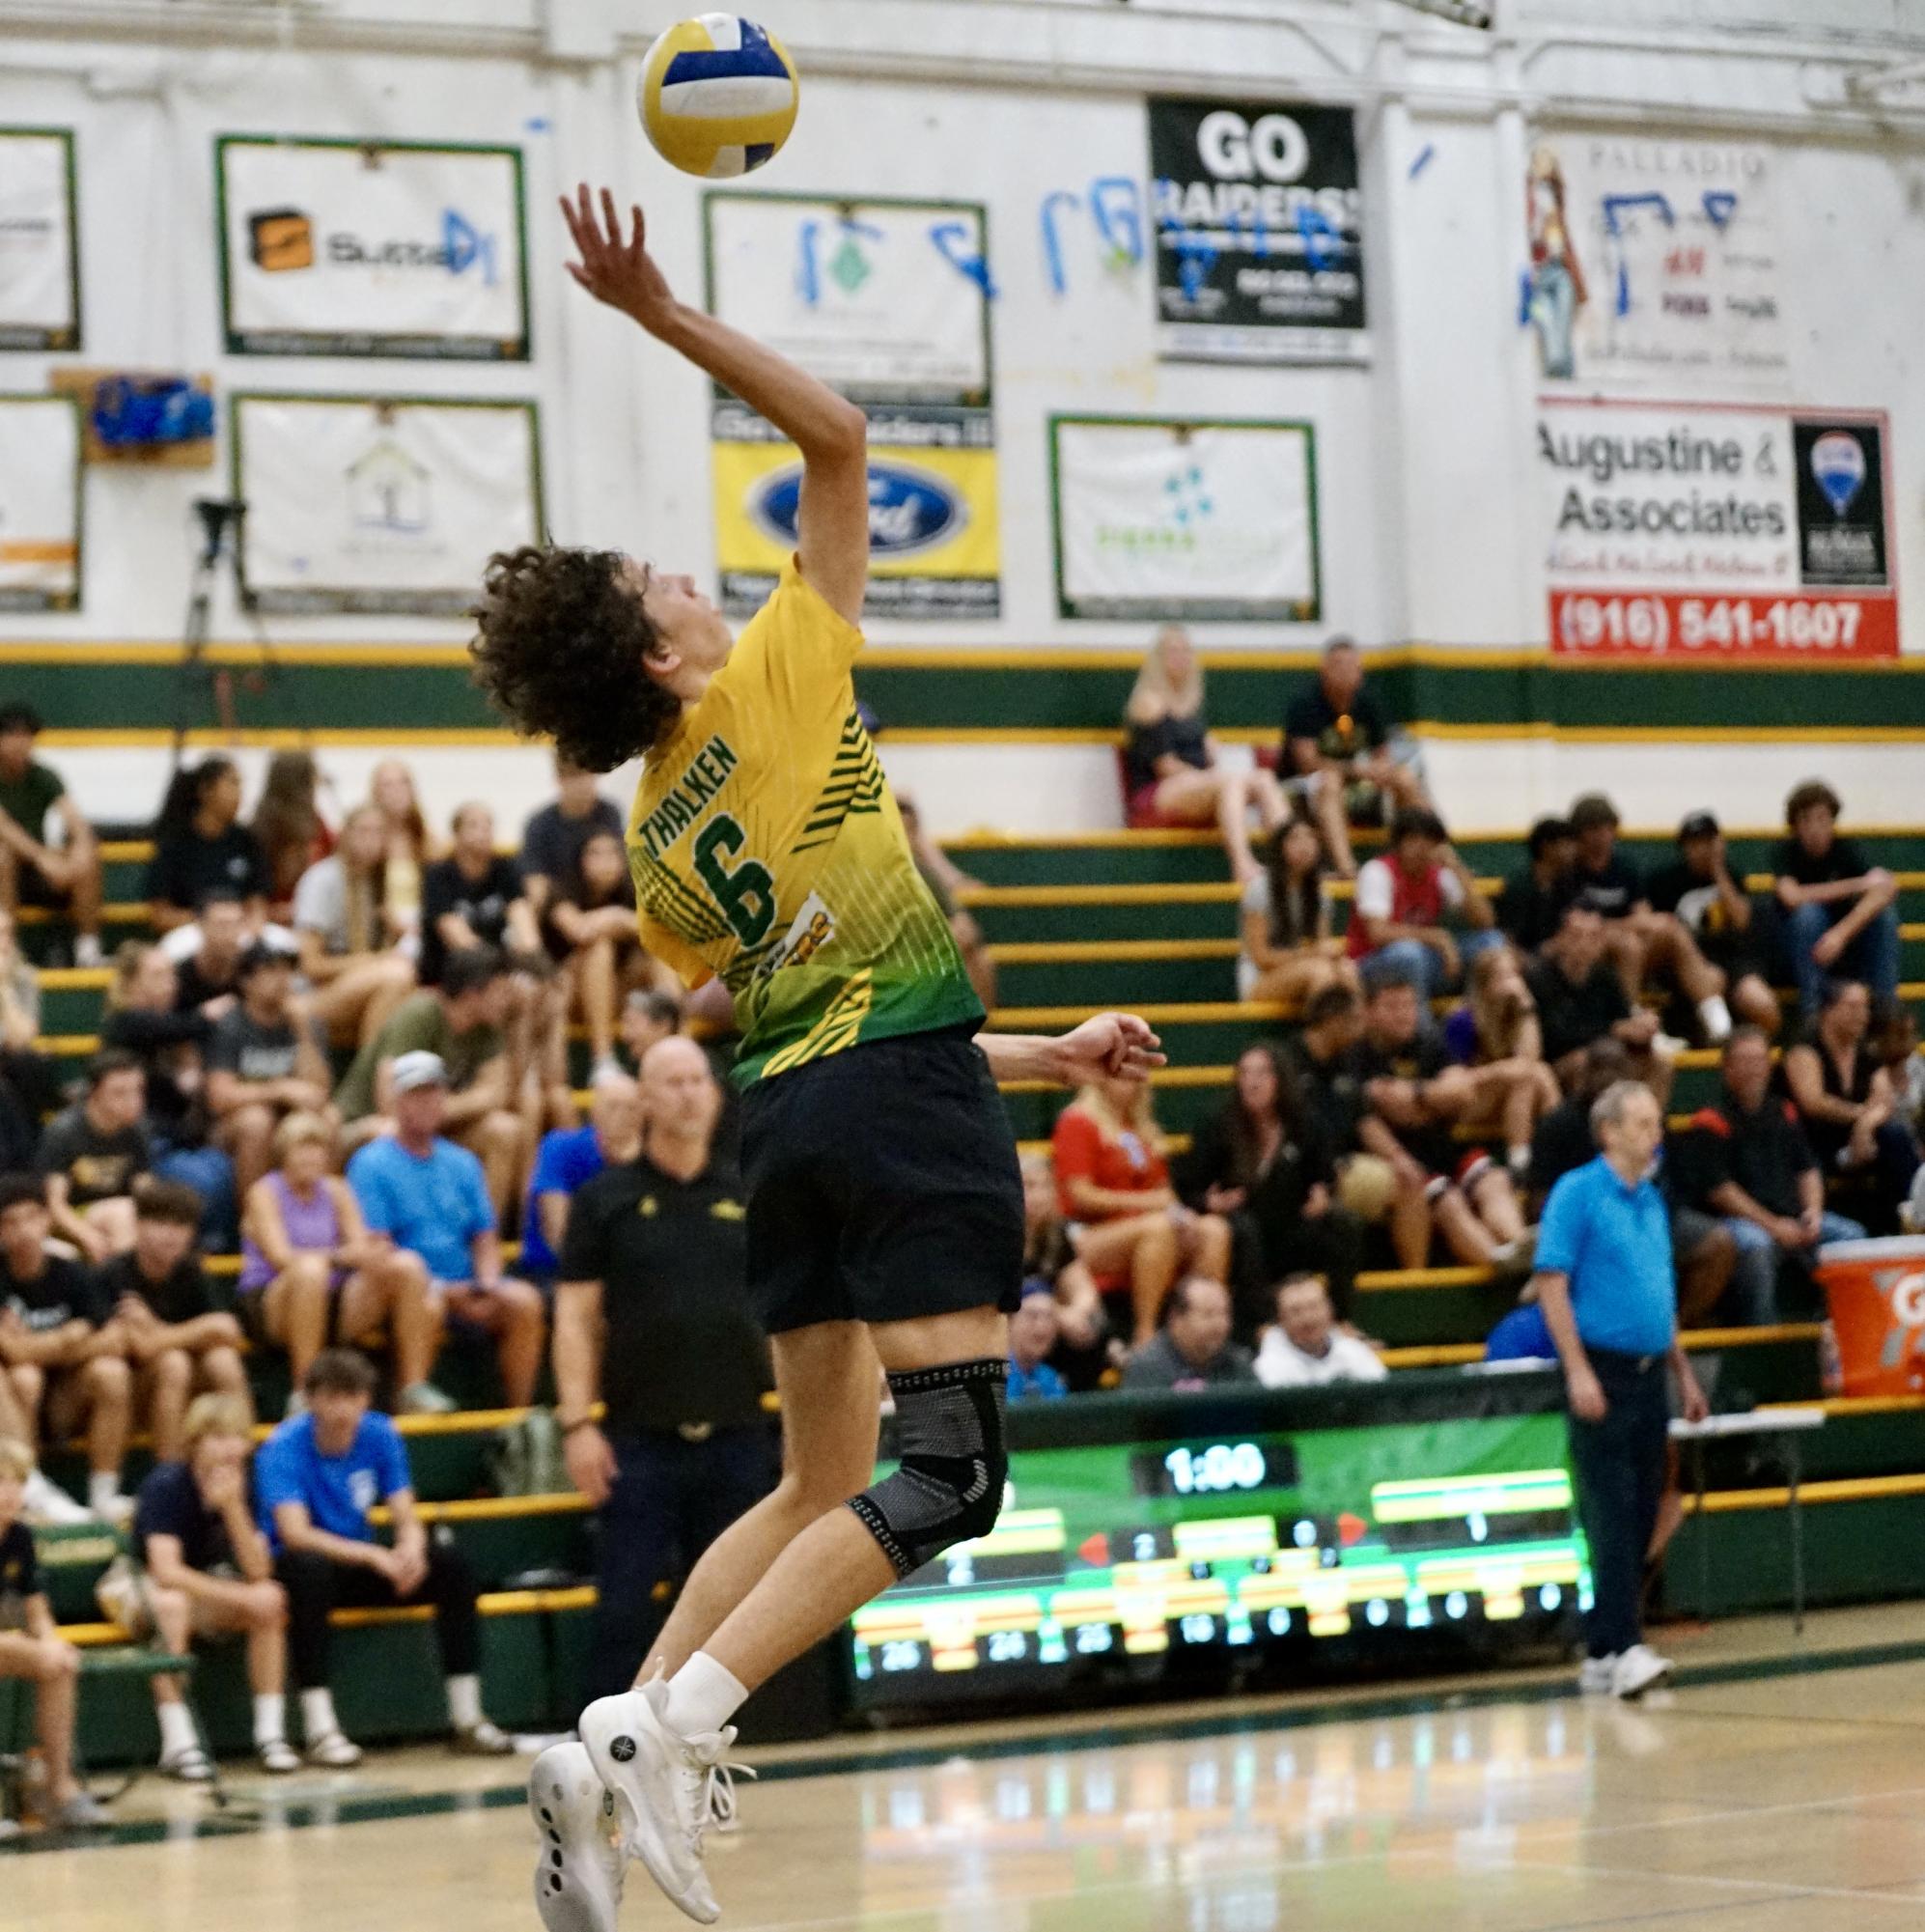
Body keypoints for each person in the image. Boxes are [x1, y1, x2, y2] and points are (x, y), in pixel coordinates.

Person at [469, 183, 1165, 1931]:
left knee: (812, 1483)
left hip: (800, 1130)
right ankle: (674, 1726)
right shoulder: (776, 667)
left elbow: (836, 1027)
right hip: (886, 1105)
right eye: (657, 578)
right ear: (660, 648)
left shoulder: (648, 850)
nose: (685, 571)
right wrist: (657, 312)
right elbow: (841, 435)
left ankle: (606, 1745)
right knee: (948, 1479)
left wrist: (1047, 1052)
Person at [556, 1037, 775, 1699]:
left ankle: (701, 1751)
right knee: (624, 1608)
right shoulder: (605, 1199)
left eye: (698, 1080)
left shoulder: (750, 1188)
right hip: (639, 1439)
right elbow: (574, 1318)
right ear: (644, 1098)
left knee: (733, 1613)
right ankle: (603, 1749)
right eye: (671, 1081)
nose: (688, 1092)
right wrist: (575, 1424)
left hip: (740, 1432)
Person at [1531, 1080, 1709, 1699]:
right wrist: (1577, 1370)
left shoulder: (1651, 1201)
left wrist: (1682, 1371)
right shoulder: (1577, 1193)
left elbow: (1658, 1295)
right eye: (1641, 1124)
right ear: (1608, 1132)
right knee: (1609, 1510)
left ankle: (1604, 1648)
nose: (1654, 1134)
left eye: (1656, 1122)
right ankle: (1627, 1645)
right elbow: (1552, 1283)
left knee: (1639, 1513)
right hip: (1600, 1369)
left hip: (1647, 1374)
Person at [256, 1348, 513, 1765]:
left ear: (366, 1399)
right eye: (331, 1397)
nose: (342, 1409)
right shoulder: (282, 1446)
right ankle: (320, 1727)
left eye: (352, 1396)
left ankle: (467, 1717)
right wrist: (376, 1556)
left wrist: (409, 1550)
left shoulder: (379, 1433)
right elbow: (295, 1534)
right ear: (311, 1400)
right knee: (309, 1571)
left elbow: (404, 1512)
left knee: (451, 1564)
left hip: (359, 1562)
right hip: (307, 1566)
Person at [346, 1050, 546, 1408]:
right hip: (411, 1288)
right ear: (397, 1102)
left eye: (434, 1093)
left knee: (524, 1301)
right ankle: (412, 1393)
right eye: (416, 1094)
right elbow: (380, 1248)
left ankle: (520, 1417)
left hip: (464, 1283)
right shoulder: (371, 1163)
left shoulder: (463, 1161)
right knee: (424, 1294)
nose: (427, 1103)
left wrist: (485, 1284)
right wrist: (442, 1288)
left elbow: (484, 1237)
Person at [134, 1392, 299, 1780]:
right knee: (171, 1606)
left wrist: (233, 1509)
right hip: (137, 1585)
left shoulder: (249, 1482)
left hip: (206, 1588)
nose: (228, 1448)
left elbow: (258, 1570)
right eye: (216, 1437)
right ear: (195, 1442)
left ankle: (270, 1734)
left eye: (236, 1437)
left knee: (271, 1600)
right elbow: (165, 1572)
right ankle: (178, 1743)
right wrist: (242, 1595)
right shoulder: (168, 1484)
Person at [240, 1111, 446, 1413]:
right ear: (284, 1153)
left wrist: (375, 1254)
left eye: (318, 1148)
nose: (311, 1156)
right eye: (302, 1148)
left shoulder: (337, 1189)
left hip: (332, 1294)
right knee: (309, 1271)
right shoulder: (264, 1192)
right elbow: (281, 1257)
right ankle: (305, 1394)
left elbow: (360, 1247)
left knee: (407, 1264)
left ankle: (412, 1389)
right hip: (274, 1298)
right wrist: (340, 1256)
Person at [1678, 1028, 1865, 1327]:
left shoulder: (1783, 1111)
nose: (1755, 1069)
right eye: (1745, 1061)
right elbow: (1721, 1192)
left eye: (1760, 1060)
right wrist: (1774, 1226)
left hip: (1791, 1216)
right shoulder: (1710, 1122)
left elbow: (1808, 1169)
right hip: (1743, 1222)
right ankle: (1760, 1333)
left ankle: (1840, 1322)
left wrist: (1813, 1212)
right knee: (1756, 1244)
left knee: (1851, 1236)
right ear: (1727, 1068)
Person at [1349, 971, 1533, 1272]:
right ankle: (1501, 1263)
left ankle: (1523, 1250)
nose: (1404, 1015)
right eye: (1392, 1007)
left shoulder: (1428, 1043)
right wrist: (1435, 1100)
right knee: (1447, 1201)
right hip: (1409, 1162)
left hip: (1443, 1148)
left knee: (1494, 1181)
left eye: (1409, 1006)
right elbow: (1376, 1112)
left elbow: (1460, 1093)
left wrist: (1416, 1095)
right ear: (1369, 1013)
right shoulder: (1358, 1056)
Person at [1176, 1041, 1364, 1327]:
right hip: (1242, 1230)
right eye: (1246, 1074)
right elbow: (1187, 1187)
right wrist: (1209, 1203)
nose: (1252, 1082)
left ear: (1281, 1079)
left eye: (1262, 1074)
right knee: (1244, 1229)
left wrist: (1323, 1194)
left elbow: (1325, 1175)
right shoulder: (1219, 1124)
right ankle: (1263, 1325)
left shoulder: (1304, 1124)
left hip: (1288, 1226)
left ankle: (1341, 1320)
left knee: (1343, 1223)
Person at [334, 947, 528, 1218]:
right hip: (365, 1124)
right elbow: (389, 1104)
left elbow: (497, 1094)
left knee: (504, 1130)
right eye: (501, 991)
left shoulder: (488, 1028)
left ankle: (483, 1238)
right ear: (473, 995)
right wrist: (463, 1103)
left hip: (433, 1126)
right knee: (387, 1131)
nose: (508, 1000)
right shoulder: (420, 1014)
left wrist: (432, 1109)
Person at [1052, 1073, 1233, 1346]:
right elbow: (1081, 1196)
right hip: (1086, 1234)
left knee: (1213, 1230)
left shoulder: (1141, 1128)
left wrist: (1181, 1217)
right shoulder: (1077, 1121)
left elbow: (1164, 1193)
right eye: (1120, 1076)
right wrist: (1148, 1204)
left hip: (1143, 1225)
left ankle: (1204, 1323)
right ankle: (1145, 1333)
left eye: (1135, 1077)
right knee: (1158, 1228)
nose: (1131, 1083)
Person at [0, 1175, 132, 1520]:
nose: (24, 1230)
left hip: (65, 1402)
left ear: (47, 1219)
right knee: (24, 1377)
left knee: (112, 1372)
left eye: (31, 1218)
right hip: (14, 1402)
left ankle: (104, 1494)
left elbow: (113, 1339)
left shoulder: (72, 1272)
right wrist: (69, 1337)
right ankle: (30, 1485)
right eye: (11, 1223)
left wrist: (39, 1345)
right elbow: (13, 1354)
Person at [95, 1180, 251, 1463]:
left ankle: (248, 1460)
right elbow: (134, 1347)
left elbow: (227, 1328)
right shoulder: (114, 1274)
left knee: (223, 1360)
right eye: (161, 1223)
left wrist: (157, 1331)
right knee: (173, 1363)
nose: (172, 1235)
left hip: (179, 1388)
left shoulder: (191, 1271)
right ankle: (170, 1473)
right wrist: (182, 1336)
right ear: (139, 1226)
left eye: (181, 1226)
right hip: (123, 1391)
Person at [1121, 625, 1290, 886]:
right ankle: (1242, 864)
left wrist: (1209, 755)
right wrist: (1209, 776)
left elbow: (1202, 758)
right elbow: (1165, 765)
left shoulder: (1191, 703)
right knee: (1230, 781)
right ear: (1157, 659)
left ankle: (1289, 862)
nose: (1180, 658)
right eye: (1172, 652)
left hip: (1195, 784)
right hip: (1156, 791)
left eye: (1185, 651)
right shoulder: (1149, 702)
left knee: (1264, 779)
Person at [0, 1436, 108, 1826]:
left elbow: (38, 1611)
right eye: (1, 1482)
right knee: (45, 1657)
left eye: (17, 1482)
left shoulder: (21, 1538)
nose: (10, 1493)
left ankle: (56, 1785)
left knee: (60, 1664)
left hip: (9, 1643)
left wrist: (52, 1642)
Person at [1562, 795, 1732, 1041]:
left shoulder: (1625, 868)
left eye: (1607, 827)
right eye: (1593, 829)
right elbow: (1575, 924)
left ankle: (1715, 1017)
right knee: (1628, 943)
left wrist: (1641, 924)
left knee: (1671, 930)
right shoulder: (1571, 872)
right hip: (1591, 950)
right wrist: (1626, 925)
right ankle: (1633, 1021)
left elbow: (1644, 915)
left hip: (1634, 948)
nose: (1602, 836)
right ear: (1579, 834)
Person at [1282, 636, 1427, 876]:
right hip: (1302, 787)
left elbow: (1383, 755)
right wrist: (1355, 769)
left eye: (1353, 666)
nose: (1347, 672)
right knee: (1330, 781)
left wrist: (1381, 769)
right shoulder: (1305, 703)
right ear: (1324, 671)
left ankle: (1434, 859)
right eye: (1339, 666)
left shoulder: (1368, 702)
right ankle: (1347, 869)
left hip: (1352, 784)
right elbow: (1306, 762)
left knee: (1404, 778)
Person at [1782, 978, 1919, 1226]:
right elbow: (1813, 1102)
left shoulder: (1865, 1053)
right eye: (1853, 1007)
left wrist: (1866, 1126)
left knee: (1895, 1137)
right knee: (1805, 1154)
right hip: (1811, 1139)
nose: (1863, 1015)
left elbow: (1884, 1101)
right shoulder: (1804, 1048)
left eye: (1865, 1007)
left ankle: (1913, 1216)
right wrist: (1862, 1117)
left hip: (1856, 1139)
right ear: (1828, 1011)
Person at [206, 940, 333, 1201]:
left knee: (329, 1117)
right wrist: (278, 1090)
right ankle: (253, 1222)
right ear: (247, 982)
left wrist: (303, 1032)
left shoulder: (303, 1022)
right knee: (257, 1122)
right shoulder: (231, 1026)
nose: (282, 979)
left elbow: (319, 1090)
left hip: (286, 1117)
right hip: (232, 1124)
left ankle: (319, 1219)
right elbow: (220, 1097)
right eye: (271, 971)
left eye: (286, 971)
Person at [292, 802, 417, 1048]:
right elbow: (309, 964)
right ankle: (370, 1078)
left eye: (378, 832)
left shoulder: (374, 883)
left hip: (361, 983)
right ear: (345, 835)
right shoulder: (323, 880)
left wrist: (397, 932)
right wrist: (373, 961)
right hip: (315, 993)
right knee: (396, 974)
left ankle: (372, 1075)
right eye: (363, 831)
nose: (371, 840)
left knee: (406, 991)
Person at [1774, 780, 1900, 1019]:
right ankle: (1812, 1012)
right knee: (1808, 915)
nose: (1815, 828)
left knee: (1884, 917)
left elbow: (1886, 889)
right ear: (1795, 826)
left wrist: (1840, 935)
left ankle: (1885, 1013)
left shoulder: (1847, 849)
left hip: (1845, 942)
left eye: (1822, 819)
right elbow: (1791, 896)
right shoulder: (1786, 852)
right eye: (1806, 820)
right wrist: (1858, 885)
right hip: (1801, 946)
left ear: (1833, 821)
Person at [1647, 812, 1781, 1034]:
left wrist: (1719, 870)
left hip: (1734, 958)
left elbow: (1741, 922)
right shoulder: (1665, 882)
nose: (1702, 850)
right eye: (1695, 843)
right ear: (1684, 847)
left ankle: (1752, 1056)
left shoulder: (1731, 876)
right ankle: (1720, 1034)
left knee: (1761, 1003)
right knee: (1712, 978)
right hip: (1687, 963)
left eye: (1708, 842)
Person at [1345, 808, 1501, 996]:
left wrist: (1458, 869)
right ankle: (1422, 1025)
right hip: (1372, 962)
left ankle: (1476, 1020)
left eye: (1429, 841)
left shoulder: (1440, 873)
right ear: (1398, 844)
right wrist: (1436, 938)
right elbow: (1377, 933)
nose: (1421, 848)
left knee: (1491, 942)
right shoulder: (1377, 871)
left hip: (1424, 959)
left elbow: (1485, 922)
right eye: (1412, 840)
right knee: (1408, 954)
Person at [1442, 945, 1562, 1181]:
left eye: (1515, 975)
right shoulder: (1462, 1019)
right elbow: (1453, 1082)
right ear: (1485, 985)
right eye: (1504, 977)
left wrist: (1527, 1007)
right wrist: (1502, 1071)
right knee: (1525, 1075)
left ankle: (1539, 1156)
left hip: (1510, 1098)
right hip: (1466, 1101)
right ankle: (1533, 1158)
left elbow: (1531, 1059)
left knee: (1535, 1074)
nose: (1513, 984)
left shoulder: (1516, 1012)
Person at [545, 828, 654, 1083]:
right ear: (581, 860)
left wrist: (616, 916)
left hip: (621, 994)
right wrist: (620, 920)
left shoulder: (635, 889)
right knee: (599, 949)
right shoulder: (562, 889)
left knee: (659, 956)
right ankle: (603, 1059)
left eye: (612, 853)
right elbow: (579, 930)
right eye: (595, 853)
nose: (605, 861)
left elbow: (661, 932)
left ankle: (677, 1043)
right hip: (571, 998)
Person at [1527, 904, 1669, 1098]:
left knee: (1660, 1062)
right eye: (1576, 936)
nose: (1584, 945)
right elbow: (1556, 1037)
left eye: (1593, 937)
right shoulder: (1539, 978)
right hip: (1556, 1065)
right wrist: (1613, 1030)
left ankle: (1650, 1122)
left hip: (1606, 1054)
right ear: (1560, 938)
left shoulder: (1605, 976)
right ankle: (1583, 1124)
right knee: (1584, 1061)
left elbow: (1623, 1019)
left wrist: (1641, 1027)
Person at [0, 704, 103, 967]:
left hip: (35, 871)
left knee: (87, 854)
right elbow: (4, 826)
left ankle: (87, 949)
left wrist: (79, 850)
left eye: (27, 737)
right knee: (2, 856)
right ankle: (7, 950)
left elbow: (74, 818)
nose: (20, 744)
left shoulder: (42, 775)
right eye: (12, 736)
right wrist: (41, 857)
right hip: (10, 867)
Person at [522, 1069, 645, 1286]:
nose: (622, 1115)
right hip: (553, 1272)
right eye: (613, 1106)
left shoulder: (650, 1159)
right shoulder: (560, 1147)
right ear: (594, 1112)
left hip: (629, 1278)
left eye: (631, 1108)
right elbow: (559, 1235)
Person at [39, 1050, 153, 1260]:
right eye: (120, 1093)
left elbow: (145, 1192)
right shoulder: (64, 1132)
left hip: (120, 1218)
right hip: (73, 1217)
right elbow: (54, 1205)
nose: (133, 1101)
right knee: (123, 1212)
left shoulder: (138, 1132)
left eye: (138, 1091)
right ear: (94, 1092)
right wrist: (87, 1235)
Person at [1238, 816, 1355, 1007]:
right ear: (1280, 847)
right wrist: (1309, 954)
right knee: (1319, 972)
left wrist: (1328, 954)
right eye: (1295, 839)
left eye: (1310, 838)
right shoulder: (1260, 889)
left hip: (1302, 968)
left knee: (1348, 970)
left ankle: (1354, 1034)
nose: (1305, 845)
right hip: (1260, 978)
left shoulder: (1320, 893)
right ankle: (1316, 1035)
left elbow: (1322, 945)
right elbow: (1261, 957)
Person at [420, 800, 540, 988]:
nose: (483, 832)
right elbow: (458, 937)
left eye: (488, 826)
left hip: (496, 967)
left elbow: (524, 921)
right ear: (456, 834)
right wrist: (503, 969)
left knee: (538, 980)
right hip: (450, 972)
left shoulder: (505, 869)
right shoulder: (439, 874)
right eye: (474, 825)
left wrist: (534, 960)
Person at [147, 756, 270, 936]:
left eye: (240, 785)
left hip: (239, 933)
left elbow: (257, 905)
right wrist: (211, 922)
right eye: (232, 783)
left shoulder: (247, 841)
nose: (239, 793)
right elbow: (160, 915)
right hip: (191, 933)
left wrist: (246, 926)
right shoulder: (175, 843)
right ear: (206, 791)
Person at [897, 794, 996, 1014]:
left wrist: (956, 932)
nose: (905, 840)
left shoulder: (922, 872)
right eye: (898, 833)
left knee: (979, 959)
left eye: (910, 832)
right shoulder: (867, 874)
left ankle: (974, 1032)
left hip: (924, 949)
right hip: (893, 955)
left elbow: (962, 923)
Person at [520, 752, 627, 919]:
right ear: (560, 780)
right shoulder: (540, 824)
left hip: (603, 902)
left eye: (589, 774)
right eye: (575, 776)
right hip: (559, 905)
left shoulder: (610, 814)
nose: (584, 783)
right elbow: (536, 881)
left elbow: (617, 869)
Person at [1119, 1274, 1257, 1392]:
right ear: (1176, 1319)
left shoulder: (1239, 1363)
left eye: (1225, 1314)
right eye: (1208, 1315)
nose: (1220, 1325)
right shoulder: (1147, 1368)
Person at [1253, 1273, 1387, 1388]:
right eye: (1295, 1311)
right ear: (1280, 1320)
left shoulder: (1355, 1351)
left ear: (1330, 1310)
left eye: (1314, 1307)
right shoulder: (1268, 1367)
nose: (1308, 1318)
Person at [251, 750, 332, 919]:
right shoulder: (265, 828)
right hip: (272, 917)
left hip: (309, 913)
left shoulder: (316, 822)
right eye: (312, 780)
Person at [367, 759, 432, 950]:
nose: (397, 791)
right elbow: (369, 893)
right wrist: (400, 926)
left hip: (421, 921)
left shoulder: (426, 840)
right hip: (383, 927)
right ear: (375, 792)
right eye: (388, 785)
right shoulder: (369, 840)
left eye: (404, 783)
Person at [1494, 817, 1576, 957]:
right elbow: (1508, 936)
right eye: (1567, 844)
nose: (1574, 851)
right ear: (1546, 847)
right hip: (1524, 956)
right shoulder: (1520, 886)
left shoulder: (1566, 883)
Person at [1006, 1284, 1068, 1401]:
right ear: (1010, 1322)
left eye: (1049, 1317)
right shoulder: (995, 1378)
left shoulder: (1051, 1379)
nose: (1041, 1327)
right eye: (1032, 1316)